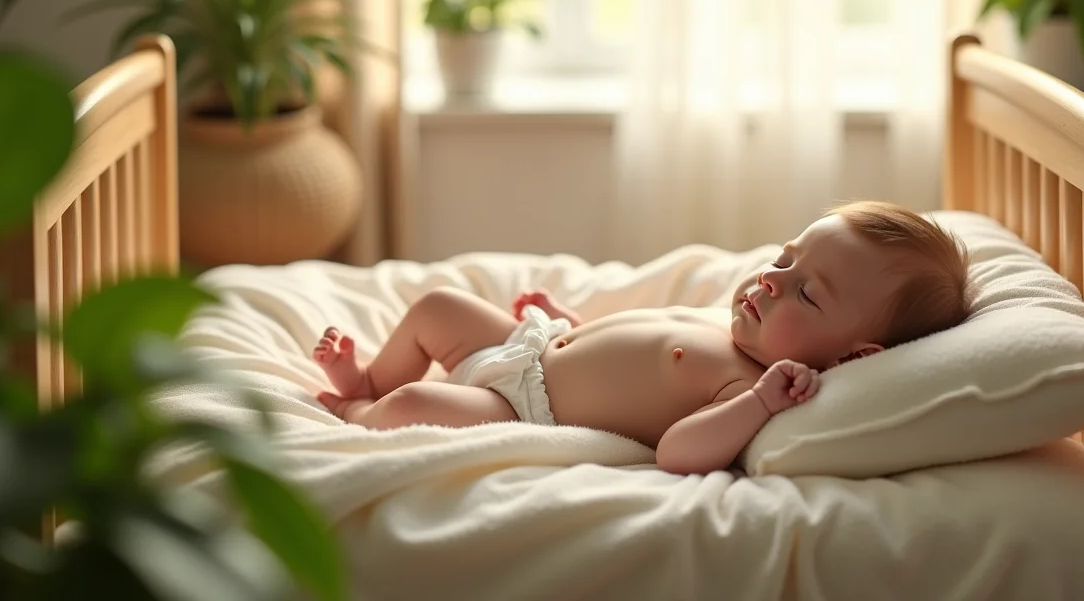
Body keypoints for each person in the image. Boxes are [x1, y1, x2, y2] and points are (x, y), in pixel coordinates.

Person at [312, 200, 974, 475]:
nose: (772, 280)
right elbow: (633, 345)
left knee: (413, 407)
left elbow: (679, 453)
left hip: (524, 404)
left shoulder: (746, 385)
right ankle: (373, 374)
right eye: (784, 259)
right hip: (533, 346)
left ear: (855, 355)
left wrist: (760, 403)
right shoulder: (734, 327)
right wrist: (567, 321)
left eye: (807, 292)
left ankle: (359, 407)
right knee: (437, 306)